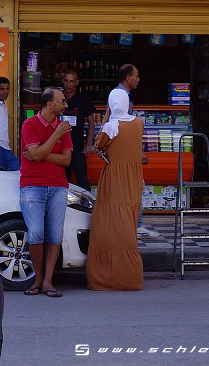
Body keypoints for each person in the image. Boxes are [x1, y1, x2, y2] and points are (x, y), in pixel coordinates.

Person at [87, 88, 144, 291]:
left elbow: (98, 145)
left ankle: (107, 277)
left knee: (109, 225)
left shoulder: (111, 127)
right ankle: (129, 277)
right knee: (128, 223)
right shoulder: (138, 123)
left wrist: (107, 116)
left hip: (114, 179)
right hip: (133, 180)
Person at [19, 87, 73, 298]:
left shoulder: (63, 126)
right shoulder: (30, 124)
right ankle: (38, 278)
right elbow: (35, 153)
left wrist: (41, 154)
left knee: (55, 234)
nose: (65, 105)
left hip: (58, 185)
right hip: (33, 185)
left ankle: (48, 281)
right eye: (62, 101)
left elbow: (66, 160)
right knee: (35, 233)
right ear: (50, 103)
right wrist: (55, 137)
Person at [104, 63, 159, 239]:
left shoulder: (120, 95)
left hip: (121, 154)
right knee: (133, 187)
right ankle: (134, 225)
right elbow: (122, 127)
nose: (138, 79)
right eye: (136, 76)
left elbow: (108, 118)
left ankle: (132, 224)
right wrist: (137, 151)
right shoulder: (120, 96)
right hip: (124, 154)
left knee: (130, 188)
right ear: (128, 78)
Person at [61, 70, 95, 191]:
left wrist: (88, 145)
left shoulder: (82, 99)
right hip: (60, 147)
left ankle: (87, 203)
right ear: (62, 81)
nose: (68, 84)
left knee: (83, 181)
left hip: (78, 147)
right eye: (66, 81)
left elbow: (91, 122)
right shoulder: (58, 98)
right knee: (63, 182)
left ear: (76, 83)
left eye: (71, 81)